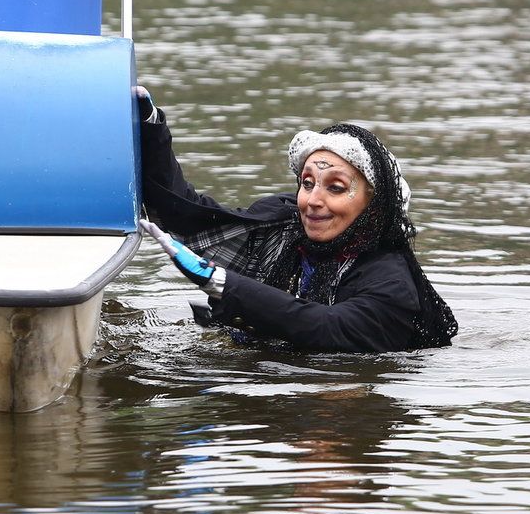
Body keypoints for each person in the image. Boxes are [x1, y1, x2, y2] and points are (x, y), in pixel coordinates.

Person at [135, 88, 457, 352]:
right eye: (307, 183)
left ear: (373, 205)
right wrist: (149, 127)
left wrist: (223, 283)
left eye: (335, 187)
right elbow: (186, 213)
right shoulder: (283, 228)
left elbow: (328, 327)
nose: (313, 201)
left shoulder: (391, 282)